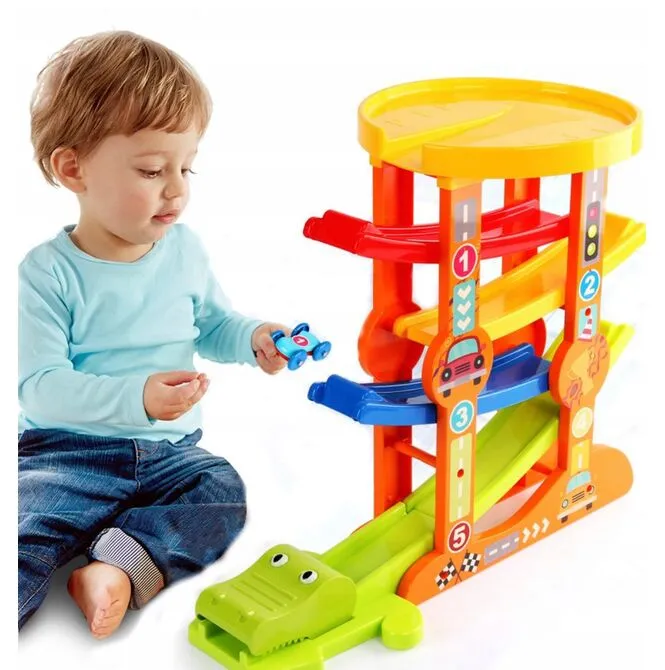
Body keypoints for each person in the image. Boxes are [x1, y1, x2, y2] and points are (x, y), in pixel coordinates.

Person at [18, 30, 289, 639]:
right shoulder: (48, 272)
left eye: (185, 167)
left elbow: (212, 325)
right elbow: (41, 387)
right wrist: (136, 397)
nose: (176, 188)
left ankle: (115, 566)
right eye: (151, 170)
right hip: (67, 454)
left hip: (171, 455)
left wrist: (254, 339)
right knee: (23, 528)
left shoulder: (184, 250)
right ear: (73, 168)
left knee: (221, 492)